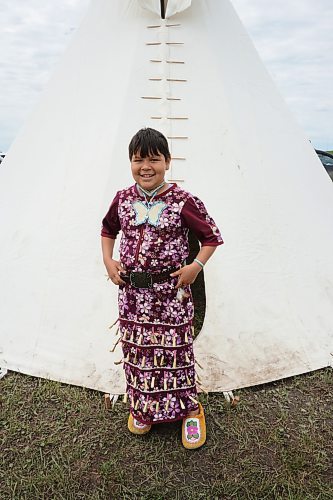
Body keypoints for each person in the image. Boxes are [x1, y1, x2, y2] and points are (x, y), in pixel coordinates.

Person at [101, 128, 223, 449]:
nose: (146, 166)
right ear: (130, 162)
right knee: (139, 351)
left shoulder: (183, 201)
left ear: (167, 161)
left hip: (171, 295)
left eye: (153, 159)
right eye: (138, 159)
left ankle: (190, 410)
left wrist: (195, 266)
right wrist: (108, 260)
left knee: (175, 353)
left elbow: (211, 237)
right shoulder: (123, 199)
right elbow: (107, 228)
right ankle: (144, 407)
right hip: (132, 297)